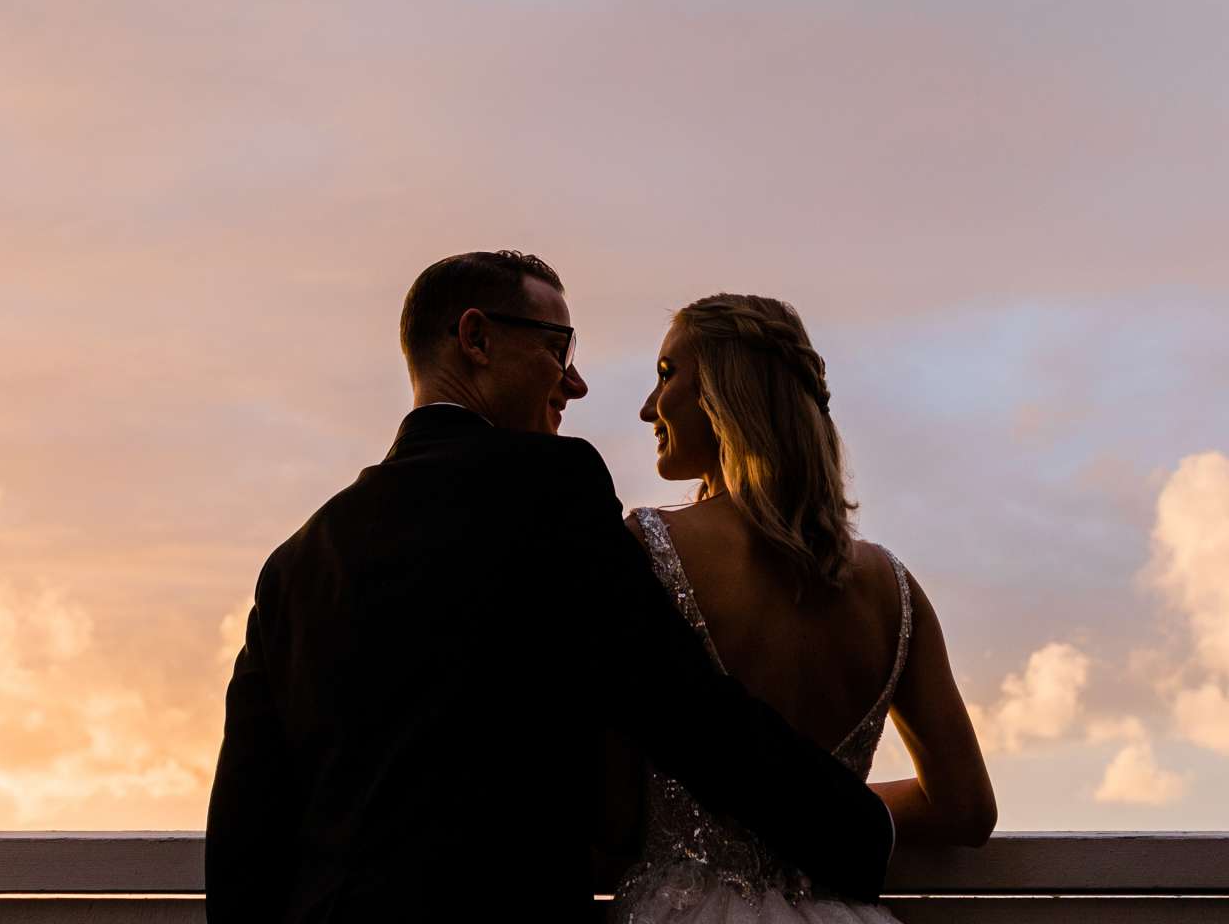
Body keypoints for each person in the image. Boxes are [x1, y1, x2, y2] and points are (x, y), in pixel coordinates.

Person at [206, 252, 894, 923]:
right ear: (476, 337)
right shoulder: (550, 486)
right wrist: (860, 829)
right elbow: (678, 703)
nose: (576, 384)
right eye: (558, 349)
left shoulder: (296, 562)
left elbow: (247, 828)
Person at [611, 293, 995, 924]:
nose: (649, 406)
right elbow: (966, 809)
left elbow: (612, 804)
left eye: (666, 374)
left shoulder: (648, 550)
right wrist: (828, 808)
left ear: (726, 392)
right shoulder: (891, 587)